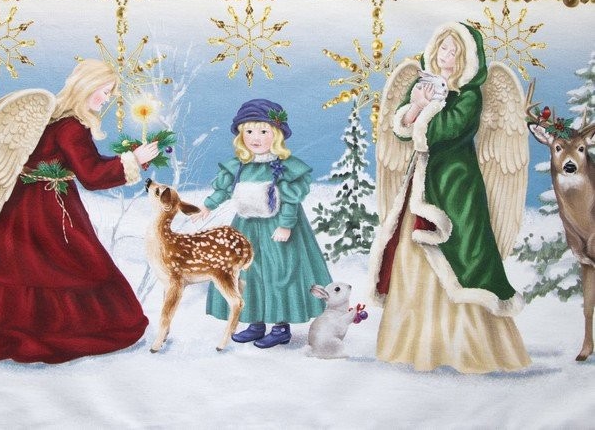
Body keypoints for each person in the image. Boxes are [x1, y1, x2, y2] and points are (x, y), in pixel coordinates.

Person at [0, 59, 158, 363]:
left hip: (25, 207)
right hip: (50, 212)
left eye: (110, 93)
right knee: (74, 266)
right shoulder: (72, 126)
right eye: (104, 91)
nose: (106, 99)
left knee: (24, 268)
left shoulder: (51, 119)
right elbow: (91, 175)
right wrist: (133, 160)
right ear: (87, 86)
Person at [369, 22, 531, 373]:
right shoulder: (422, 83)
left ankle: (467, 346)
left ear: (466, 58)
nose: (447, 56)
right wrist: (415, 105)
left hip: (455, 185)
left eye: (455, 52)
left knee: (462, 253)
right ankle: (415, 344)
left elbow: (445, 130)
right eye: (443, 48)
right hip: (420, 183)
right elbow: (402, 132)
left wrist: (423, 110)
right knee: (412, 256)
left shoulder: (470, 95)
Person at [195, 99, 331, 348]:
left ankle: (280, 326)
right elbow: (223, 189)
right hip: (246, 227)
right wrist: (207, 206)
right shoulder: (239, 166)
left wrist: (286, 225)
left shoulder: (283, 167)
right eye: (249, 131)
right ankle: (255, 322)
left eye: (263, 131)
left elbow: (290, 199)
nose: (255, 138)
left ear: (276, 134)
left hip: (276, 228)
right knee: (249, 271)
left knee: (279, 272)